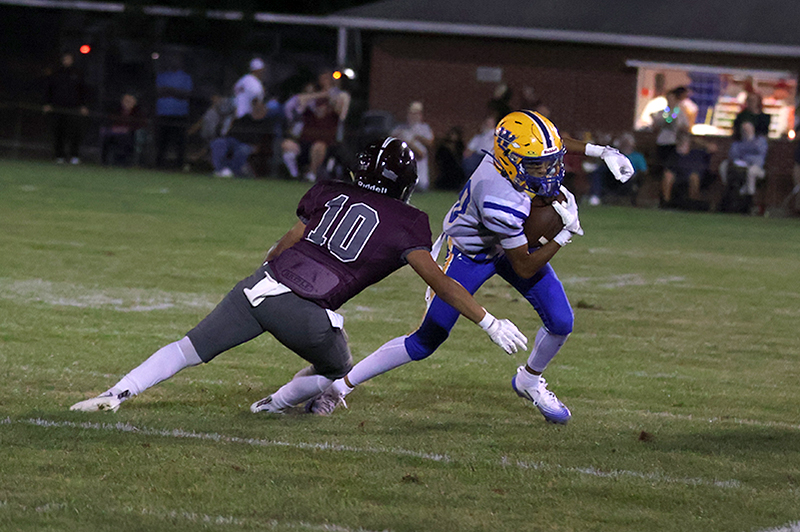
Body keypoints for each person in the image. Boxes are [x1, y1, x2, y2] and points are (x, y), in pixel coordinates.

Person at [70, 137, 527, 414]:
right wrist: (489, 320)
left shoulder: (329, 192)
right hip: (307, 310)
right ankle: (274, 404)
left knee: (187, 348)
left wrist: (265, 275)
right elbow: (441, 282)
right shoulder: (407, 223)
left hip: (260, 285)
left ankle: (119, 391)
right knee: (338, 369)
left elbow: (283, 246)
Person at [306, 110, 635, 424]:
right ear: (512, 161)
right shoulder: (498, 198)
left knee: (562, 322)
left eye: (549, 163)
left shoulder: (511, 158)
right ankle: (339, 388)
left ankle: (529, 380)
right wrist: (563, 236)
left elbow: (557, 143)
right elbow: (523, 266)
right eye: (538, 166)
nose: (550, 171)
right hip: (470, 254)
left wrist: (602, 152)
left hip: (509, 243)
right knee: (426, 340)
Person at [42, 52, 89, 164]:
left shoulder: (78, 73)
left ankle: (74, 155)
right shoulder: (56, 73)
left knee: (74, 133)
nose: (66, 61)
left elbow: (83, 90)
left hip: (73, 109)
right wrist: (47, 103)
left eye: (69, 59)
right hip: (58, 108)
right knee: (59, 133)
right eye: (65, 59)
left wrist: (83, 105)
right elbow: (49, 89)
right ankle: (59, 156)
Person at [209, 99, 270, 178]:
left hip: (248, 144)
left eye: (260, 108)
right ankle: (220, 170)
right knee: (218, 143)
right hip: (232, 140)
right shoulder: (244, 118)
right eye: (256, 108)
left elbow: (264, 140)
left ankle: (232, 171)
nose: (257, 110)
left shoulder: (266, 123)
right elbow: (231, 131)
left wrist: (257, 146)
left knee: (243, 150)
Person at [587, 132, 648, 206]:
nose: (626, 145)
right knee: (599, 171)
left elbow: (643, 171)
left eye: (627, 143)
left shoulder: (638, 156)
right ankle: (595, 196)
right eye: (624, 143)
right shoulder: (616, 154)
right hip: (612, 176)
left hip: (628, 179)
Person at [154, 55, 193, 170]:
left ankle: (179, 165)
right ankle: (159, 165)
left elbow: (186, 94)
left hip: (180, 113)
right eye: (171, 60)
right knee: (162, 140)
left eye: (176, 60)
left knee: (180, 141)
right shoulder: (162, 75)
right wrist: (175, 91)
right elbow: (158, 91)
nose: (173, 62)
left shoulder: (186, 77)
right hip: (163, 113)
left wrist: (169, 90)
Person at [392, 101, 435, 192]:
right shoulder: (401, 128)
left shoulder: (424, 128)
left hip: (419, 163)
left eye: (416, 113)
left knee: (420, 184)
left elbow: (429, 143)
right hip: (404, 161)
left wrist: (417, 137)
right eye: (411, 113)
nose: (413, 116)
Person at [650, 87, 692, 175]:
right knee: (661, 165)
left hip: (673, 142)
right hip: (662, 141)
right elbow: (655, 127)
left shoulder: (679, 113)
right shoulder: (662, 113)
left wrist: (680, 127)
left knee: (670, 166)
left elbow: (686, 127)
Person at [661, 133, 710, 209]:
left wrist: (696, 140)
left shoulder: (697, 153)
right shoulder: (674, 154)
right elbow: (669, 168)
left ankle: (693, 203)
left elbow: (713, 148)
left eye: (685, 141)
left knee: (694, 177)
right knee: (668, 176)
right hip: (678, 175)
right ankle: (666, 203)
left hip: (693, 174)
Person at [719, 121, 768, 197]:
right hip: (740, 167)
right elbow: (733, 154)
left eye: (748, 128)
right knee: (724, 165)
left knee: (751, 171)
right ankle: (727, 187)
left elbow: (760, 151)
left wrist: (747, 147)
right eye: (744, 129)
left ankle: (750, 195)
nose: (746, 131)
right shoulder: (738, 143)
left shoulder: (760, 140)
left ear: (753, 129)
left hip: (757, 168)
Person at [100, 93, 147, 167]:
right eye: (126, 101)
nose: (127, 103)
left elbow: (140, 124)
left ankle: (121, 162)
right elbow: (110, 120)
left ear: (134, 102)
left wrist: (127, 129)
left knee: (125, 140)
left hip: (129, 133)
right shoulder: (116, 110)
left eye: (130, 101)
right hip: (115, 132)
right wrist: (115, 128)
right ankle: (104, 161)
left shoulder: (138, 112)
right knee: (106, 137)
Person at [433, 126, 466, 191]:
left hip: (457, 167)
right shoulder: (444, 147)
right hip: (446, 167)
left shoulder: (459, 146)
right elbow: (439, 158)